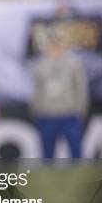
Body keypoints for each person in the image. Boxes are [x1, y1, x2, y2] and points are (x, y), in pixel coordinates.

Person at [31, 29, 89, 158]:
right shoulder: (40, 65)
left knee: (75, 150)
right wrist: (37, 110)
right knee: (47, 152)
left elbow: (81, 88)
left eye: (57, 43)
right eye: (51, 43)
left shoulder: (74, 64)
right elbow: (36, 90)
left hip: (69, 113)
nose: (54, 46)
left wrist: (80, 110)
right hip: (47, 114)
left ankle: (80, 176)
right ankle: (48, 178)